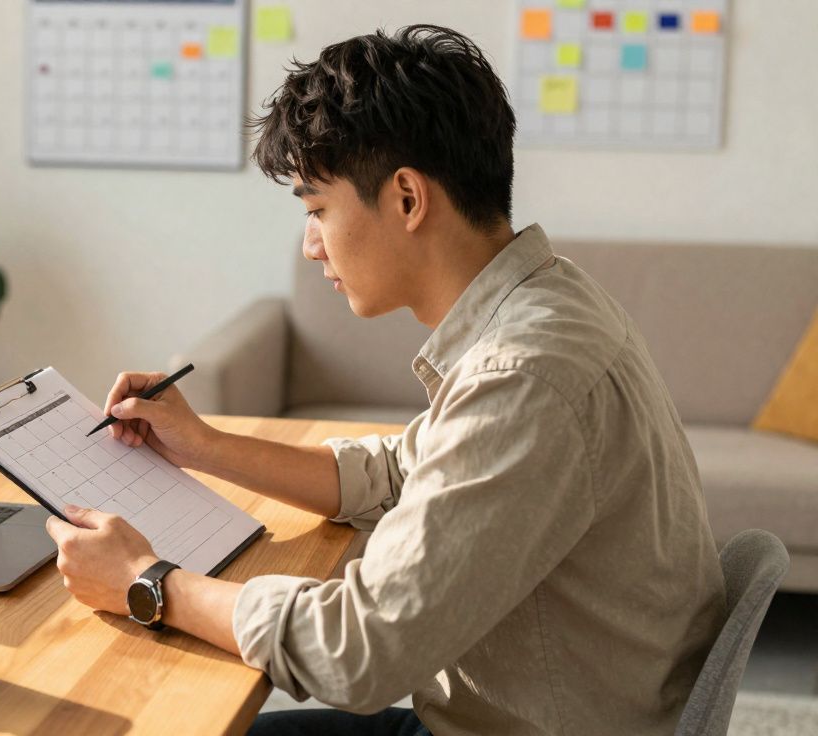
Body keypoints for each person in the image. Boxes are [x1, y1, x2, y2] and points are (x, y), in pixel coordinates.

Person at [44, 25, 726, 735]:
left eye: (317, 211)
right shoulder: (548, 302)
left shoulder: (524, 376)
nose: (311, 246)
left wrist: (147, 583)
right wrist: (203, 444)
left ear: (406, 199)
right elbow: (400, 471)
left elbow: (359, 652)